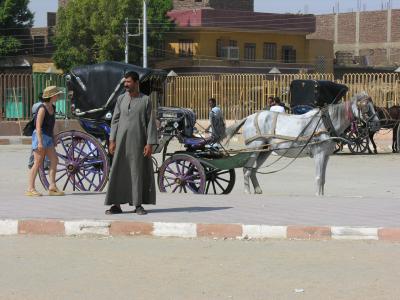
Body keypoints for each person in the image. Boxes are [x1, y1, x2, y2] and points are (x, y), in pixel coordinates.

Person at [104, 71, 158, 215]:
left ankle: (137, 204)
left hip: (138, 143)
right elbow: (115, 120)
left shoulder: (146, 100)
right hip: (120, 143)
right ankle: (116, 205)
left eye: (128, 82)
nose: (126, 85)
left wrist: (150, 143)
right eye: (125, 82)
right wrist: (112, 140)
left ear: (136, 82)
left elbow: (150, 123)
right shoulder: (121, 99)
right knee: (118, 172)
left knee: (136, 172)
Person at [26, 86, 65, 196]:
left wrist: (53, 138)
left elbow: (52, 125)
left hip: (48, 137)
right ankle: (30, 188)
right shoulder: (42, 108)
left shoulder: (53, 107)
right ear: (52, 96)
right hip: (40, 136)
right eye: (57, 94)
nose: (58, 96)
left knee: (54, 160)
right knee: (37, 163)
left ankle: (52, 186)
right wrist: (39, 142)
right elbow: (38, 126)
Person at [28, 93, 50, 169]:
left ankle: (31, 162)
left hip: (35, 125)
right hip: (42, 127)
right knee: (44, 147)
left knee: (34, 147)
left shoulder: (35, 105)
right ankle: (45, 164)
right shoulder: (44, 106)